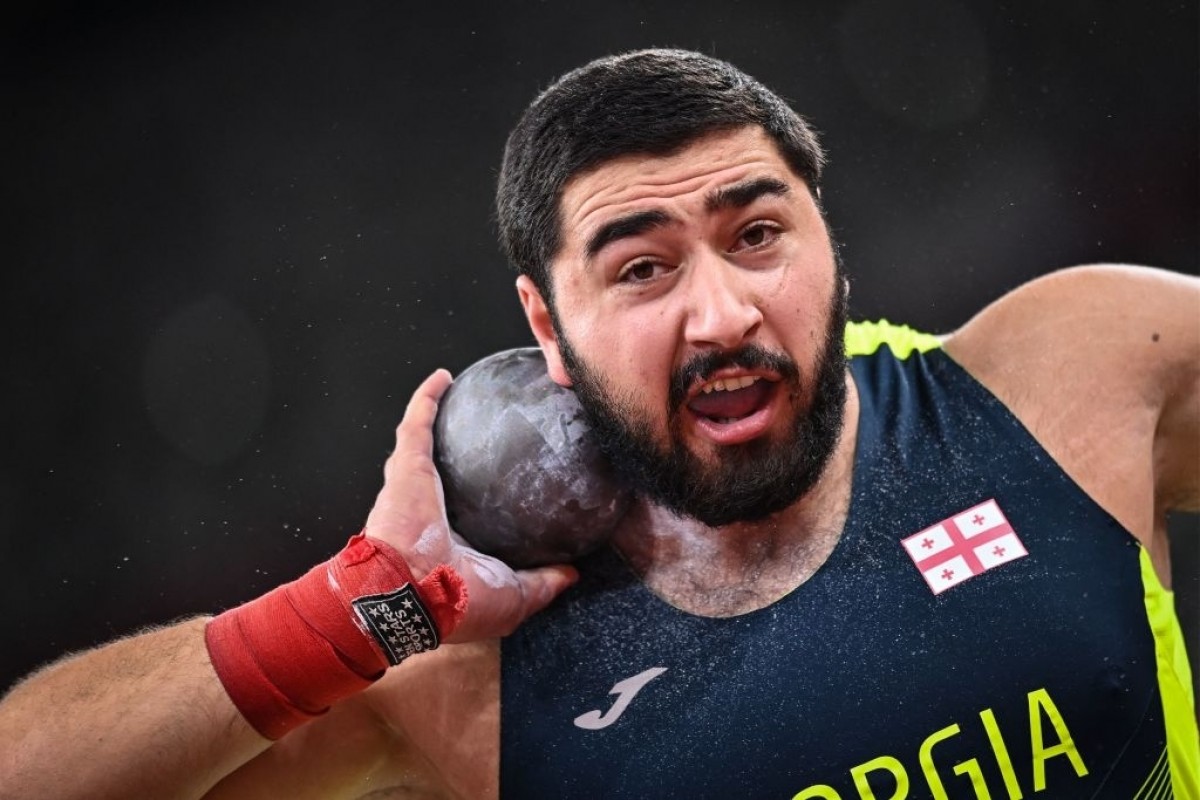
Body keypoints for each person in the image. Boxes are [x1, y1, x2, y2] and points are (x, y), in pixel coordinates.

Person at [1, 48, 1196, 800]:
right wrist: (351, 610)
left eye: (758, 234)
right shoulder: (465, 666)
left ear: (828, 240)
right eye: (641, 269)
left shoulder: (1066, 378)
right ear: (547, 326)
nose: (723, 312)